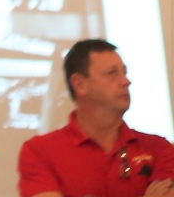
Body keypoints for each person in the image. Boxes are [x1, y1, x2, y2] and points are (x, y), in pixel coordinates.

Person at [19, 38, 174, 197]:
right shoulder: (40, 151)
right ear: (79, 84)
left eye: (124, 72)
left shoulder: (159, 148)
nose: (126, 81)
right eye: (111, 73)